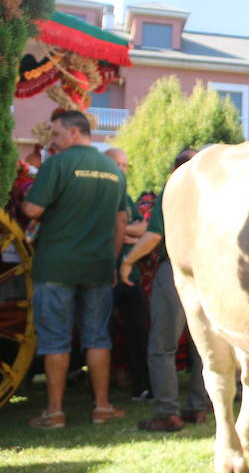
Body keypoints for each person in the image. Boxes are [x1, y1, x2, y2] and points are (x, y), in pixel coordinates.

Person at [22, 110, 128, 429]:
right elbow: (120, 221)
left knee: (55, 339)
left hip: (57, 265)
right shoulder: (113, 169)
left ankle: (54, 412)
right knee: (97, 337)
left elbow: (32, 209)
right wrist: (112, 260)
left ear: (72, 133)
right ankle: (102, 408)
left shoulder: (57, 163)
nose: (53, 141)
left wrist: (29, 198)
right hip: (97, 265)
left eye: (55, 134)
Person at [120, 148, 211, 432]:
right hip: (210, 272)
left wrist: (128, 260)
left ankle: (167, 412)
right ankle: (198, 408)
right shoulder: (213, 192)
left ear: (175, 170)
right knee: (203, 346)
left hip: (175, 270)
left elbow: (154, 235)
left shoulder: (174, 189)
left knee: (162, 346)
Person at [105, 148, 152, 401]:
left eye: (125, 165)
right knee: (102, 332)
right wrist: (128, 232)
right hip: (103, 276)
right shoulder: (99, 195)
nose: (121, 170)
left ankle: (142, 387)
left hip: (129, 276)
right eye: (117, 165)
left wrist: (122, 231)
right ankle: (100, 394)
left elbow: (144, 227)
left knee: (139, 330)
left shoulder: (126, 197)